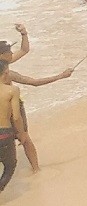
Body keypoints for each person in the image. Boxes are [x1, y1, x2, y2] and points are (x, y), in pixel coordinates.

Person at [0, 30, 71, 178]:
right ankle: (36, 169)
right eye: (9, 51)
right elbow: (34, 83)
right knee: (24, 137)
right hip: (12, 108)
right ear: (2, 56)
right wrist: (61, 76)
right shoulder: (7, 74)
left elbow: (25, 49)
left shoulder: (5, 63)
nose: (12, 52)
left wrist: (24, 34)